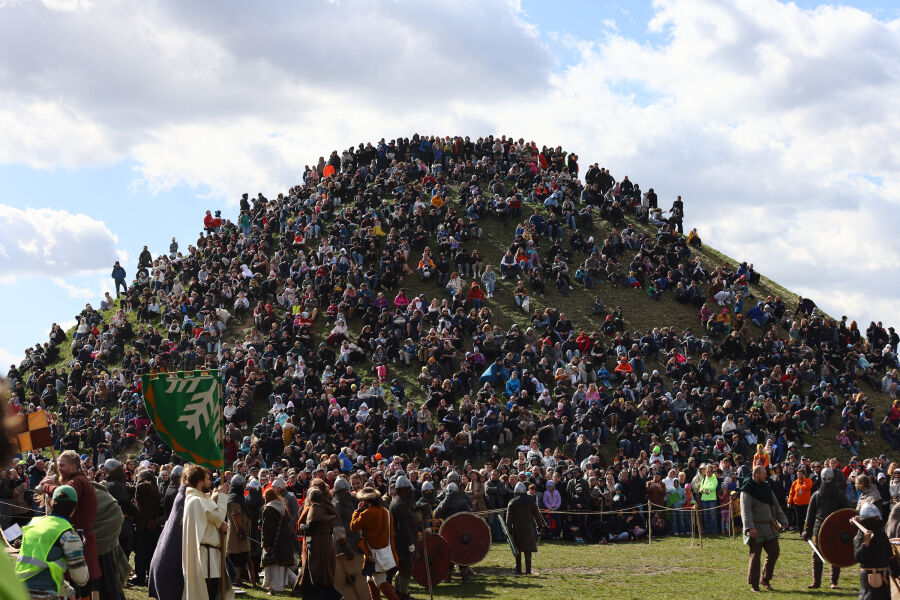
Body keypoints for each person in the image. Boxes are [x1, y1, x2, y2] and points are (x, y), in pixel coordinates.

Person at [40, 450, 100, 597]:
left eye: (62, 465)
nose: (59, 468)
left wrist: (46, 486)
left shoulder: (76, 482)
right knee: (83, 586)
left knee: (78, 584)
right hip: (81, 535)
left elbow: (64, 496)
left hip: (77, 538)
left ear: (73, 467)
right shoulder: (81, 480)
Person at [15, 484, 89, 599]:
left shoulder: (33, 524)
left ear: (51, 503)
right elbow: (81, 578)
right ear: (74, 508)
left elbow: (42, 566)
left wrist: (68, 591)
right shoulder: (68, 534)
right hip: (42, 595)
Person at [182, 465, 234, 600]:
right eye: (207, 479)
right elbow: (218, 515)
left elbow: (211, 520)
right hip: (205, 560)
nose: (210, 482)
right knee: (208, 595)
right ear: (200, 482)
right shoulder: (196, 501)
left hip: (212, 558)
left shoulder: (201, 500)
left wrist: (219, 527)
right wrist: (222, 496)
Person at [740, 465, 789, 592]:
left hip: (769, 527)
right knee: (755, 557)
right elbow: (745, 511)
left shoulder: (766, 487)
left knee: (774, 552)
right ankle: (755, 585)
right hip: (755, 528)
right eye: (763, 474)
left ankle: (765, 579)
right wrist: (750, 528)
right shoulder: (747, 490)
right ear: (756, 475)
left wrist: (783, 520)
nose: (765, 476)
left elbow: (776, 505)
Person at [802, 467, 851, 589]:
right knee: (817, 555)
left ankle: (834, 582)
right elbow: (810, 515)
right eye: (825, 479)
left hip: (835, 528)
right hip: (819, 528)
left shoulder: (839, 495)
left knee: (836, 554)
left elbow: (846, 512)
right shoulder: (817, 495)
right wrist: (807, 530)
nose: (827, 481)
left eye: (829, 479)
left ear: (833, 479)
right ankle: (816, 582)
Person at [350, 487, 400, 600]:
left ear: (366, 500)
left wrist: (357, 511)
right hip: (384, 550)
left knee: (380, 580)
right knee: (371, 579)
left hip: (374, 552)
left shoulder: (368, 513)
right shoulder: (386, 512)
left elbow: (353, 526)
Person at [298, 486, 340, 600]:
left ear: (310, 499)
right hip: (327, 541)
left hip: (317, 542)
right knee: (326, 568)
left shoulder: (315, 508)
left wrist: (302, 526)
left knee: (316, 569)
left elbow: (312, 526)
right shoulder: (326, 507)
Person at [854, 502, 899, 600]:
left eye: (877, 518)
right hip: (869, 577)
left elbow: (890, 556)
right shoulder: (860, 537)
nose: (876, 520)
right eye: (874, 519)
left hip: (884, 577)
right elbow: (859, 558)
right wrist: (866, 544)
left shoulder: (882, 535)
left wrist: (897, 573)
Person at [261, 487, 296, 594]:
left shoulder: (268, 509)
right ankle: (298, 584)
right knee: (283, 567)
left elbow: (267, 529)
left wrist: (265, 543)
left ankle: (273, 589)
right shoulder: (282, 507)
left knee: (273, 566)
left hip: (274, 542)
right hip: (284, 541)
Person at [505, 481, 546, 575]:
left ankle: (518, 569)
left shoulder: (512, 502)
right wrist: (539, 527)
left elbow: (508, 520)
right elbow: (537, 517)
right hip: (528, 529)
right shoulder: (531, 502)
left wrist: (509, 531)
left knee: (517, 549)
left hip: (517, 530)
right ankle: (528, 570)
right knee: (527, 550)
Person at [389, 476, 418, 600]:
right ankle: (403, 594)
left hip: (398, 539)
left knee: (402, 566)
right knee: (406, 567)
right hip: (402, 539)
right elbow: (404, 527)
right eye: (408, 489)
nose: (410, 492)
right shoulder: (400, 504)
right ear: (403, 489)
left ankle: (398, 591)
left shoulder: (398, 500)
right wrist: (410, 543)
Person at [224, 475, 255, 588]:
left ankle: (238, 578)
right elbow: (236, 515)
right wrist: (241, 531)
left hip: (240, 530)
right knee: (236, 556)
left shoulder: (237, 496)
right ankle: (235, 579)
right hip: (236, 532)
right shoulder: (234, 498)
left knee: (240, 555)